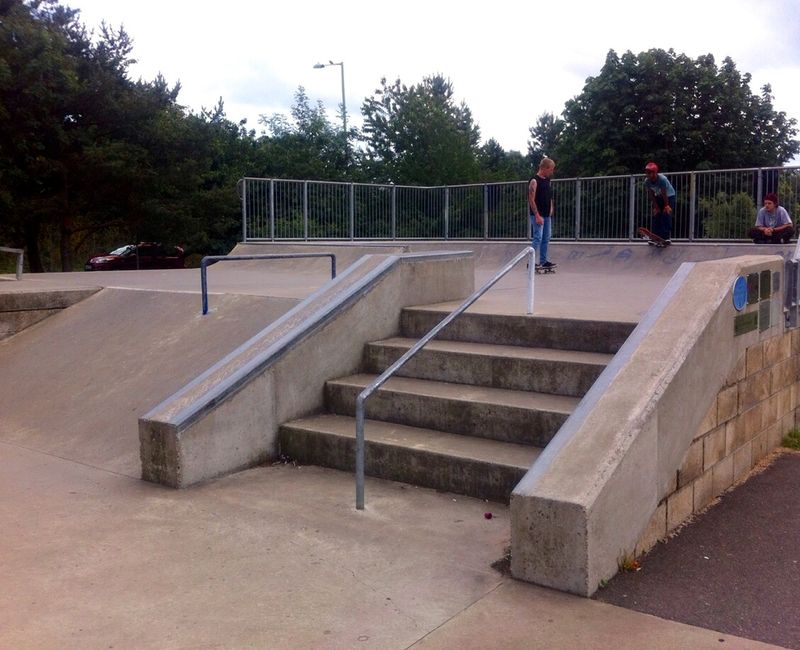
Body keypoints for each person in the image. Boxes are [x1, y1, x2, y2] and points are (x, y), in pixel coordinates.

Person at [528, 157, 556, 269]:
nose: (551, 172)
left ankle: (543, 261)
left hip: (546, 214)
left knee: (546, 237)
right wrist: (537, 215)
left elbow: (549, 196)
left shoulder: (547, 180)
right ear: (544, 168)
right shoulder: (534, 181)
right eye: (550, 169)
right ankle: (531, 262)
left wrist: (551, 208)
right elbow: (531, 199)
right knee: (538, 237)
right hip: (537, 214)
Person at [643, 162, 676, 244]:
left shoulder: (662, 179)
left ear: (654, 172)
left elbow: (664, 193)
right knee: (656, 215)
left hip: (669, 196)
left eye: (649, 173)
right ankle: (655, 236)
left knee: (665, 214)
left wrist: (666, 205)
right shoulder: (647, 181)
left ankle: (666, 237)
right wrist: (656, 207)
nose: (647, 174)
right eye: (646, 172)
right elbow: (651, 194)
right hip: (658, 196)